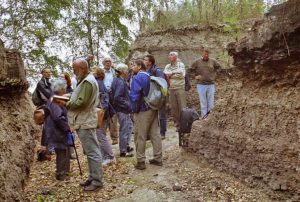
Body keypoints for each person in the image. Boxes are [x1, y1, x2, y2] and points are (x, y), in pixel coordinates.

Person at [66, 59, 103, 192]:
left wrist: (66, 103)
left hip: (85, 121)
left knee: (92, 152)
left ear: (82, 68)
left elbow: (81, 102)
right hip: (84, 120)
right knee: (90, 151)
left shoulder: (87, 81)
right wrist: (69, 96)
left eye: (75, 69)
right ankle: (93, 177)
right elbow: (80, 96)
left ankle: (97, 181)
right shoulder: (86, 79)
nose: (74, 72)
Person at [130, 60, 162, 170]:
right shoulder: (149, 75)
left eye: (133, 65)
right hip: (153, 107)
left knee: (140, 135)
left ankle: (141, 161)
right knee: (155, 134)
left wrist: (134, 110)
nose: (131, 67)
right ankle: (158, 158)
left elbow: (134, 96)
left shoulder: (137, 78)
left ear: (139, 66)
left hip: (142, 110)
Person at [45, 79, 71, 180]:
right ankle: (61, 174)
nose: (65, 91)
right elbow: (57, 117)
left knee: (63, 151)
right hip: (58, 131)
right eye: (64, 89)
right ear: (60, 89)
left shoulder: (54, 98)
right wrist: (67, 127)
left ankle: (64, 172)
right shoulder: (55, 100)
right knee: (62, 151)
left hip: (56, 130)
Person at [92, 67, 116, 166]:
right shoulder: (99, 82)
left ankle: (110, 157)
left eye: (93, 71)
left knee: (100, 136)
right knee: (100, 136)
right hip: (102, 113)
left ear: (98, 74)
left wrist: (102, 111)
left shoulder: (98, 83)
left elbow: (105, 100)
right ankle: (104, 157)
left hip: (101, 114)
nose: (91, 73)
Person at [111, 64, 134, 157]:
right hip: (122, 110)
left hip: (122, 109)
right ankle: (123, 151)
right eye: (126, 70)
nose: (127, 71)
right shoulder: (120, 82)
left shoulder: (118, 80)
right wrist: (128, 105)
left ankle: (126, 146)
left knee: (129, 127)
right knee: (124, 129)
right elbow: (117, 97)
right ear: (122, 71)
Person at [190, 49, 221, 118]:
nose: (206, 55)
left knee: (211, 104)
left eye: (207, 54)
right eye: (204, 54)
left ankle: (210, 118)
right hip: (201, 85)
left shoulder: (213, 61)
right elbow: (190, 70)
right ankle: (204, 118)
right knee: (203, 103)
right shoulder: (197, 62)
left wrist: (215, 75)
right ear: (202, 54)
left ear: (208, 54)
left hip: (211, 84)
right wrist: (195, 76)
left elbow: (219, 67)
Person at [144, 54, 167, 139]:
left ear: (150, 62)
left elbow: (162, 83)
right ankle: (150, 134)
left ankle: (162, 133)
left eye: (145, 60)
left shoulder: (157, 71)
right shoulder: (145, 71)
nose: (144, 61)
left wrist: (162, 97)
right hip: (150, 97)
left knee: (161, 115)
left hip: (159, 96)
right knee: (151, 116)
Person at [164, 51, 187, 130]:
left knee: (182, 107)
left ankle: (184, 124)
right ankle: (177, 124)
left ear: (176, 57)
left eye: (171, 55)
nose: (169, 56)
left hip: (180, 88)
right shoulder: (167, 66)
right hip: (171, 88)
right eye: (169, 55)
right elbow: (165, 75)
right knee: (174, 108)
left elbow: (182, 75)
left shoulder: (181, 65)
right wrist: (175, 73)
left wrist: (171, 74)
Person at [102, 57, 119, 145]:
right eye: (106, 61)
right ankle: (102, 137)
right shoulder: (101, 72)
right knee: (103, 116)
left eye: (109, 61)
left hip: (112, 95)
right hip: (103, 96)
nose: (108, 63)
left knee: (113, 116)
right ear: (103, 63)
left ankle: (114, 138)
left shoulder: (114, 72)